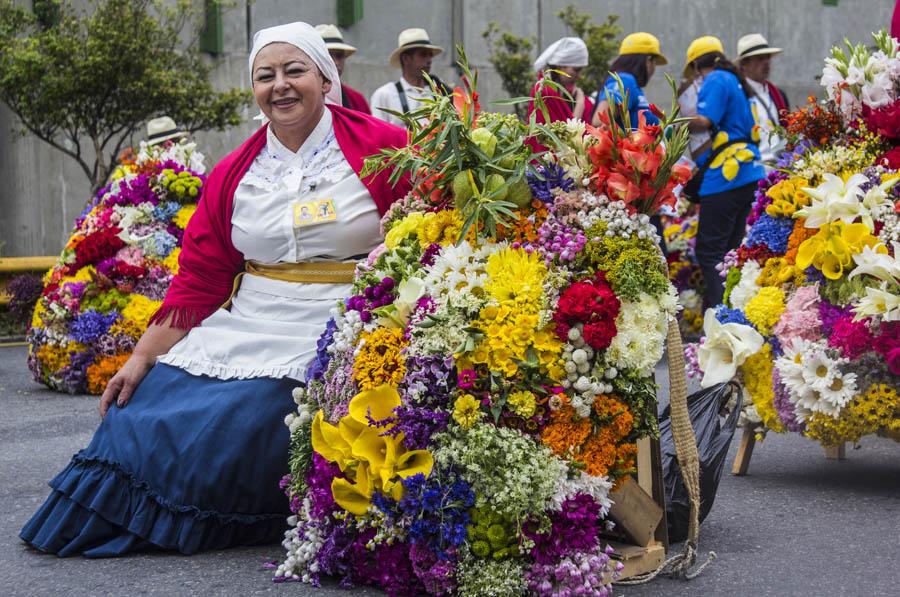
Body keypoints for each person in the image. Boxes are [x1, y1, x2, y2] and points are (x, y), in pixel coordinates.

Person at [20, 21, 410, 557]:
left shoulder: (386, 147)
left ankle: (213, 515)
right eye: (265, 75)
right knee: (141, 410)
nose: (280, 85)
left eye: (294, 71)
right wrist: (140, 358)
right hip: (249, 316)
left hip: (339, 318)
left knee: (247, 416)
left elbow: (430, 223)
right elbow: (199, 281)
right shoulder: (233, 173)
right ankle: (128, 512)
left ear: (325, 79)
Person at [684, 35, 766, 308]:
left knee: (710, 253)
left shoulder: (716, 79)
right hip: (747, 173)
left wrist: (671, 118)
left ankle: (719, 319)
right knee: (730, 252)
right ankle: (733, 314)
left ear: (697, 66)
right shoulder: (732, 80)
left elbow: (705, 121)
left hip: (727, 176)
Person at [370, 28, 449, 127]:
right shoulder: (385, 95)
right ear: (406, 58)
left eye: (430, 55)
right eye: (423, 54)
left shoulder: (439, 91)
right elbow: (378, 135)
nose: (429, 60)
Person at [591, 32, 667, 128]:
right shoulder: (625, 80)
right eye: (655, 63)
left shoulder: (631, 83)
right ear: (648, 61)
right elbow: (599, 121)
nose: (654, 68)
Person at [737, 33, 789, 165]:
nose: (766, 63)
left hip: (780, 167)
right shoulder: (738, 96)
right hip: (754, 170)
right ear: (744, 64)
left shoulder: (778, 95)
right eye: (759, 58)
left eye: (767, 58)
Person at [528, 37, 593, 125]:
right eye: (576, 70)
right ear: (560, 66)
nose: (579, 76)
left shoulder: (571, 94)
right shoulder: (544, 94)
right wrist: (580, 106)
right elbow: (561, 136)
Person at [315, 23, 370, 114]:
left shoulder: (357, 100)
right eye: (329, 55)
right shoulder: (302, 98)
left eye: (339, 56)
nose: (336, 62)